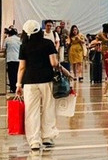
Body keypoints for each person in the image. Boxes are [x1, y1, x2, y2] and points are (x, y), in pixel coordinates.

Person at [15, 20, 73, 151]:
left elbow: (22, 67)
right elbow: (53, 63)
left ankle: (34, 141)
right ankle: (47, 137)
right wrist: (64, 70)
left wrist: (18, 84)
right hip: (46, 80)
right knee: (48, 108)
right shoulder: (48, 43)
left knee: (31, 111)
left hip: (29, 82)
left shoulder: (24, 46)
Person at [4, 26, 21, 91]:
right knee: (17, 73)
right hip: (18, 59)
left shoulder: (7, 39)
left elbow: (3, 48)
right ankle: (17, 87)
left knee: (11, 74)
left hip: (10, 59)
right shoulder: (19, 39)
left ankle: (12, 88)